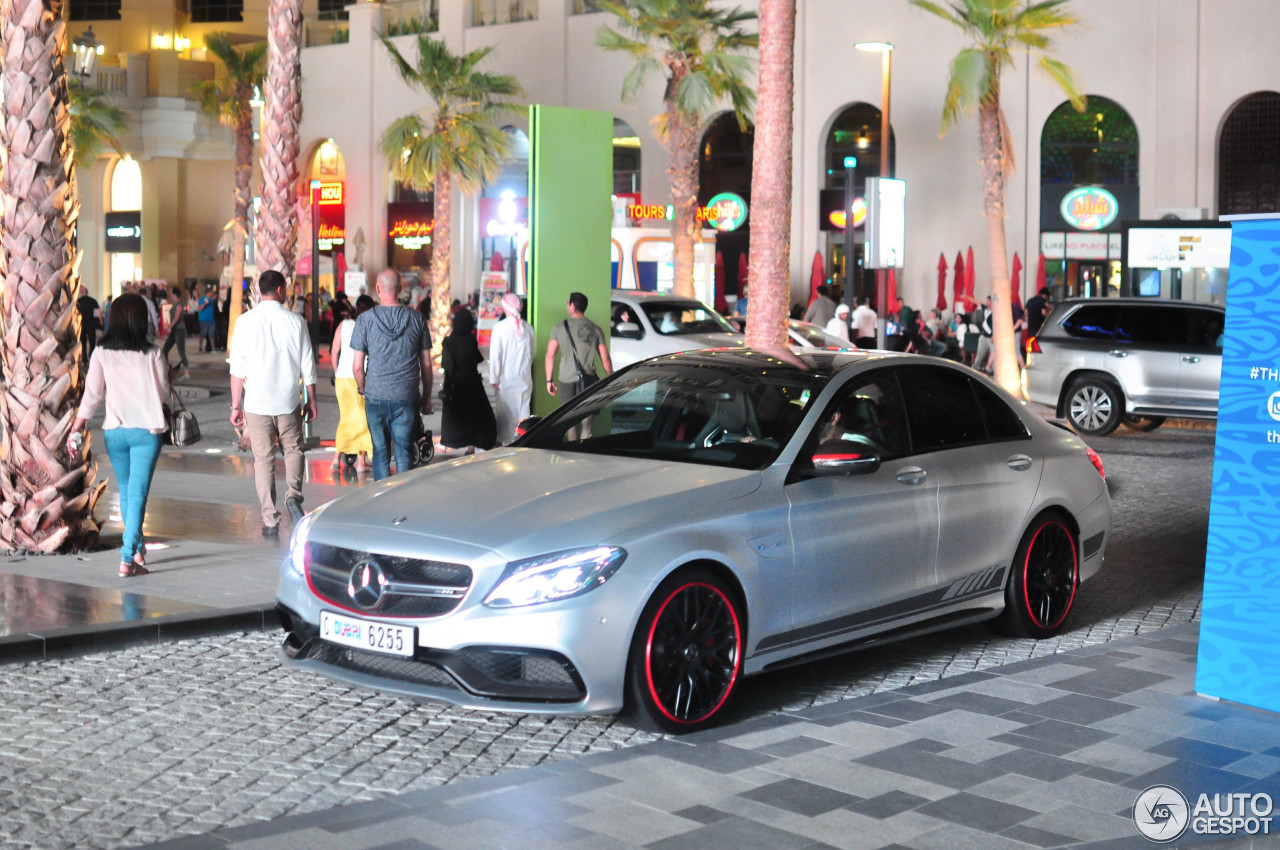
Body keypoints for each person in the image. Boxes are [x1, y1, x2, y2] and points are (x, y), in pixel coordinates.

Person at [68, 294, 169, 578]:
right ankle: (127, 559)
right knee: (136, 495)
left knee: (127, 492)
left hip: (114, 432)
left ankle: (136, 548)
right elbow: (163, 393)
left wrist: (77, 427)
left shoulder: (101, 352)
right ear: (141, 321)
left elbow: (92, 395)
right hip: (146, 432)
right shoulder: (153, 353)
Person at [228, 269, 318, 537]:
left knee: (263, 459)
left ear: (259, 291)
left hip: (256, 403)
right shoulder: (296, 321)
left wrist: (235, 405)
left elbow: (237, 368)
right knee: (293, 450)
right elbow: (308, 364)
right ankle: (293, 496)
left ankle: (269, 519)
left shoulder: (244, 322)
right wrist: (311, 399)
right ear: (280, 290)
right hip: (288, 401)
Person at [352, 268, 434, 480]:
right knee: (404, 451)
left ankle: (383, 504)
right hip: (406, 396)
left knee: (379, 453)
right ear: (399, 289)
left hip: (375, 396)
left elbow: (357, 367)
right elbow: (426, 365)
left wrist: (363, 389)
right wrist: (426, 397)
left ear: (378, 289)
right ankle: (402, 501)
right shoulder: (417, 319)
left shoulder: (365, 320)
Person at [440, 308, 497, 453]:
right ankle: (473, 445)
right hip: (473, 384)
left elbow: (449, 366)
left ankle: (453, 444)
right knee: (475, 416)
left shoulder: (449, 342)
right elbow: (478, 358)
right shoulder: (471, 340)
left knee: (458, 416)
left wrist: (448, 385)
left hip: (457, 385)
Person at [330, 294, 375, 474]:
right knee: (363, 419)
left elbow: (334, 351)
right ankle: (361, 461)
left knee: (346, 418)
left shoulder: (344, 324)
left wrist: (337, 371)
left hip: (342, 378)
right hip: (360, 377)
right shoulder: (370, 326)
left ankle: (336, 459)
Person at [545, 291, 612, 404]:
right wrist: (611, 379)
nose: (567, 306)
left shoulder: (559, 328)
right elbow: (605, 359)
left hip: (566, 379)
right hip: (589, 378)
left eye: (568, 303)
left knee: (568, 417)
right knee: (587, 415)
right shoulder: (596, 329)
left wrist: (549, 380)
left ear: (572, 305)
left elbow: (550, 356)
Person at [488, 292, 535, 444]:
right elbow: (532, 353)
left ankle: (508, 445)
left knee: (507, 417)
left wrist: (494, 378)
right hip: (524, 379)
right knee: (523, 413)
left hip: (506, 381)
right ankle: (524, 444)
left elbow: (496, 356)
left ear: (505, 307)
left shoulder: (499, 328)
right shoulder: (528, 328)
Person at [161, 287, 191, 381]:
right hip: (175, 330)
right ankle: (165, 369)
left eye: (171, 292)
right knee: (165, 349)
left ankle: (187, 374)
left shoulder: (179, 304)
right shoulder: (176, 304)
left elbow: (177, 317)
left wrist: (169, 327)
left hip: (179, 330)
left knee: (181, 351)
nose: (170, 294)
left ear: (174, 294)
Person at [75, 285, 101, 365]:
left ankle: (84, 359)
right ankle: (91, 357)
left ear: (82, 292)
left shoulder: (78, 301)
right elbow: (99, 311)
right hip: (91, 323)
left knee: (83, 342)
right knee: (92, 342)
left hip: (81, 324)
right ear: (87, 292)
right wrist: (101, 321)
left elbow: (75, 313)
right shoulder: (92, 300)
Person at [975, 296, 995, 374]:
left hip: (991, 336)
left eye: (988, 301)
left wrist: (993, 336)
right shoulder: (985, 309)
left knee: (993, 353)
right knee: (980, 353)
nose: (987, 302)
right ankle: (975, 368)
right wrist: (967, 296)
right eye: (986, 301)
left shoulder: (995, 311)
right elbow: (977, 302)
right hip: (984, 335)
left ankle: (992, 369)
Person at [196, 284, 217, 353]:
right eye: (211, 292)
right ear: (209, 292)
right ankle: (200, 347)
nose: (212, 293)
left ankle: (213, 348)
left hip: (211, 319)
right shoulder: (202, 299)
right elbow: (199, 308)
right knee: (202, 334)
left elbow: (213, 299)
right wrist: (205, 303)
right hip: (203, 320)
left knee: (212, 334)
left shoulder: (211, 299)